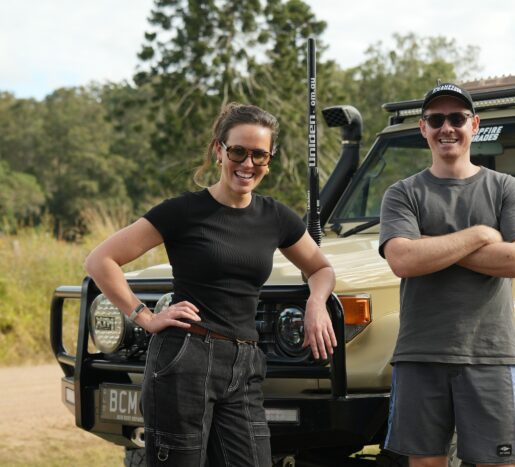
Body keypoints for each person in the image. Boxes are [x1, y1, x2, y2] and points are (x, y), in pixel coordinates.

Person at [84, 103, 336, 466]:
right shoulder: (183, 211)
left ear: (269, 159)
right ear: (219, 150)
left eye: (259, 155)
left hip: (246, 363)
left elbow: (320, 268)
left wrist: (316, 304)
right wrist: (143, 316)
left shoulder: (275, 216)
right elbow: (100, 260)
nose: (247, 164)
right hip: (186, 360)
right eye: (238, 151)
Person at [378, 83, 515, 467]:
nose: (446, 128)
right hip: (420, 351)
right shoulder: (402, 193)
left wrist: (431, 247)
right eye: (436, 120)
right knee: (425, 463)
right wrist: (480, 236)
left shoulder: (507, 189)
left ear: (475, 125)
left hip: (490, 353)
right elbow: (402, 260)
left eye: (456, 118)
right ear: (423, 128)